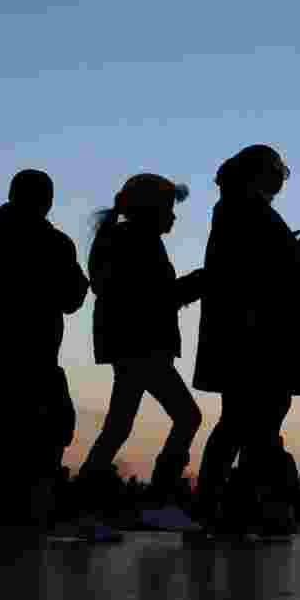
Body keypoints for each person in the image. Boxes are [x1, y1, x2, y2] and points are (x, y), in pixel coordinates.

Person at [192, 145, 300, 540]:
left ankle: (235, 507)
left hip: (261, 335)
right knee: (249, 423)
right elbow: (253, 277)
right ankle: (235, 507)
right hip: (259, 339)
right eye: (279, 170)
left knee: (246, 424)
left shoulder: (240, 208)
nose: (283, 178)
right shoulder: (245, 210)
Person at [0, 169, 88, 535]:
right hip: (34, 356)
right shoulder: (55, 244)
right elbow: (72, 299)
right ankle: (11, 508)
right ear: (48, 200)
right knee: (25, 432)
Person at [77, 173, 205, 537]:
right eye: (169, 209)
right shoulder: (137, 242)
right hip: (142, 345)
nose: (173, 217)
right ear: (152, 209)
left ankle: (84, 510)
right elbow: (157, 297)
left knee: (118, 428)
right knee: (187, 417)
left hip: (130, 345)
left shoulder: (120, 239)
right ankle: (159, 503)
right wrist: (204, 280)